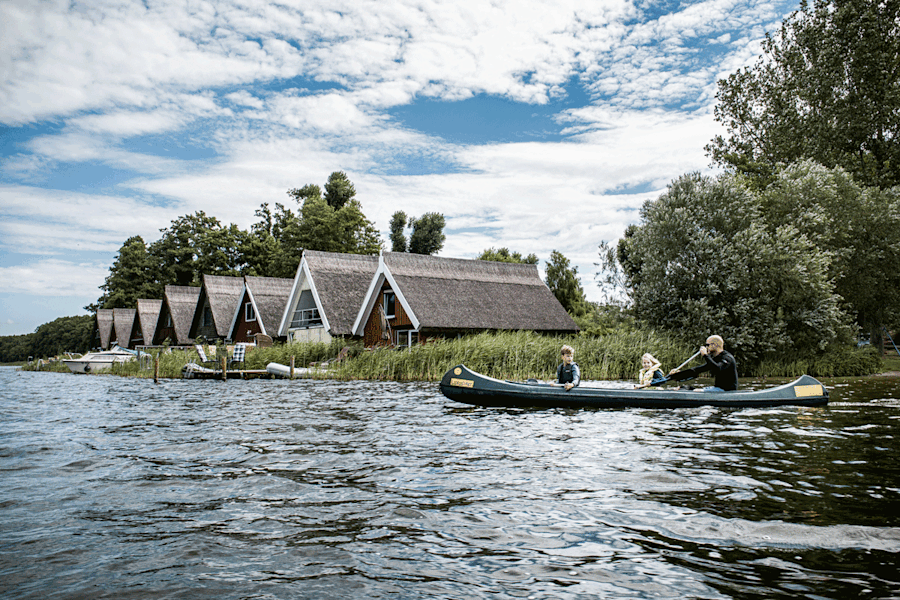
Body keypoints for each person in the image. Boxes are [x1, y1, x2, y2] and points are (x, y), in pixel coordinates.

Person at [668, 335, 738, 391]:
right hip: (717, 389)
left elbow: (717, 369)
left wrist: (705, 355)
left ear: (715, 345)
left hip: (726, 390)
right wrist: (676, 376)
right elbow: (697, 370)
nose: (706, 347)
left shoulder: (727, 358)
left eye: (707, 345)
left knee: (697, 391)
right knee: (684, 388)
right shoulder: (715, 358)